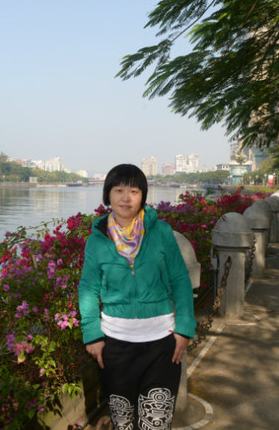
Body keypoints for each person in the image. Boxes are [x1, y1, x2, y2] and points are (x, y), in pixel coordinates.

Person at [79, 164, 196, 430]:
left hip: (162, 346)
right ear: (108, 195)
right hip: (115, 347)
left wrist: (185, 329)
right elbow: (88, 288)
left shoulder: (161, 232)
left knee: (156, 422)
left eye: (134, 190)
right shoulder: (97, 240)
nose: (126, 197)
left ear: (143, 195)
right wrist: (93, 335)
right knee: (124, 424)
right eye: (119, 190)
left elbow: (179, 280)